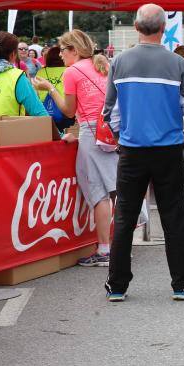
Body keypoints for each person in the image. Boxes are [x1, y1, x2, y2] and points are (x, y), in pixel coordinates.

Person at [103, 3, 184, 303]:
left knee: (124, 217)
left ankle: (117, 286)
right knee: (173, 216)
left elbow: (111, 112)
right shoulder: (178, 64)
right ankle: (182, 284)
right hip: (168, 149)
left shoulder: (119, 62)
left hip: (132, 149)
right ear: (163, 29)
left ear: (136, 26)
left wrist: (125, 135)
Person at [34, 30, 118, 267]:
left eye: (62, 49)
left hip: (92, 133)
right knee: (111, 190)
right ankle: (115, 247)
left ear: (74, 50)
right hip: (108, 131)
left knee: (100, 192)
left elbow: (69, 111)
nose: (59, 55)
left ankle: (105, 250)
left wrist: (50, 88)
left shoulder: (72, 72)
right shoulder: (101, 65)